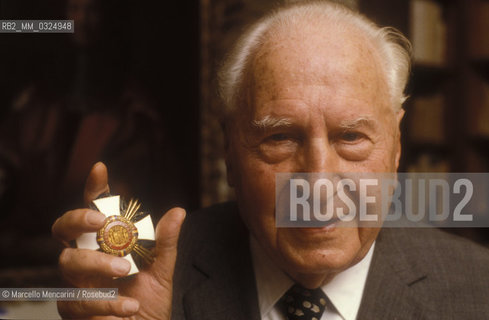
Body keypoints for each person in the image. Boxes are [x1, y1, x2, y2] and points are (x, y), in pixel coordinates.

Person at [51, 1, 489, 319]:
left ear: (395, 146)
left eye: (351, 137)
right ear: (229, 151)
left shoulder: (478, 289)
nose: (317, 184)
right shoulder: (146, 278)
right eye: (280, 137)